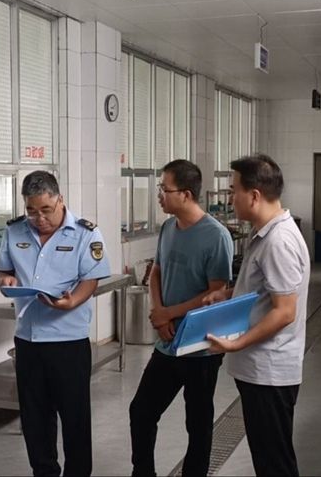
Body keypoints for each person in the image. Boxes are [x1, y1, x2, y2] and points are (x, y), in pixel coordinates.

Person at [0, 171, 111, 477]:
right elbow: (3, 271)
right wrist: (5, 280)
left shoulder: (86, 233)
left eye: (46, 210)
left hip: (67, 341)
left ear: (61, 200)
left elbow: (91, 279)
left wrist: (72, 302)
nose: (39, 218)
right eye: (31, 211)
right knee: (34, 417)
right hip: (28, 340)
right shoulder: (15, 231)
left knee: (74, 417)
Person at [203, 154, 310, 477]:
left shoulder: (278, 241)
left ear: (254, 195)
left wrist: (236, 344)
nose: (229, 198)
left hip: (269, 371)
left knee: (274, 464)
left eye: (233, 190)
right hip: (260, 370)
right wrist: (229, 294)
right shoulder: (264, 233)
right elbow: (266, 292)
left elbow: (284, 311)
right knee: (268, 459)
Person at [129, 160, 234, 477]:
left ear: (186, 194)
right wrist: (160, 316)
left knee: (198, 423)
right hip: (167, 342)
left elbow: (216, 293)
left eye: (164, 189)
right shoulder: (168, 228)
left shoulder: (216, 236)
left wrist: (170, 313)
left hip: (200, 346)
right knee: (142, 411)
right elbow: (156, 273)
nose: (159, 195)